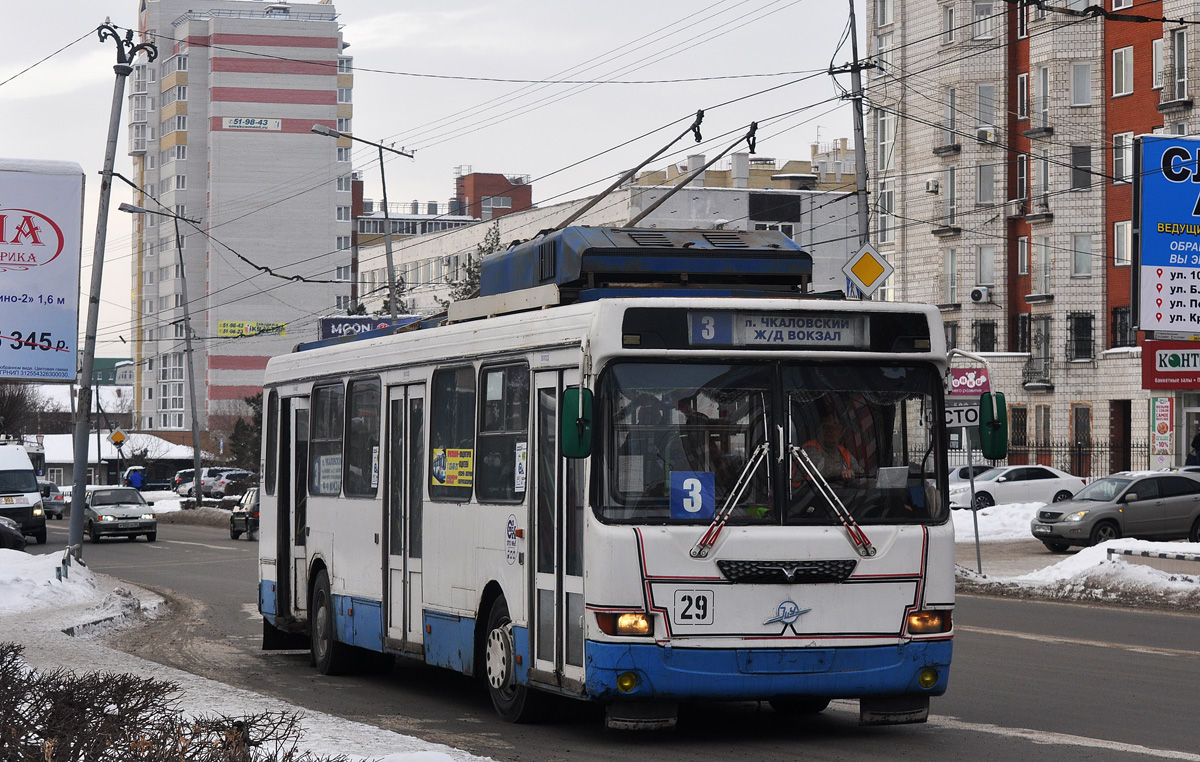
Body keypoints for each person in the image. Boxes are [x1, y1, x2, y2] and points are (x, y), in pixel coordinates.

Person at [800, 412, 861, 483]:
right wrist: (845, 474)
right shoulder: (811, 449)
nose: (829, 431)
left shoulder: (845, 453)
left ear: (842, 432)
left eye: (834, 427)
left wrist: (853, 475)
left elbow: (860, 475)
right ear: (820, 430)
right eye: (826, 427)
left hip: (840, 493)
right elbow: (821, 473)